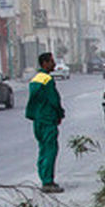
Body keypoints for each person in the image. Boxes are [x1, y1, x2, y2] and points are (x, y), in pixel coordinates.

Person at [25, 51, 66, 193]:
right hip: (48, 120)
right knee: (50, 149)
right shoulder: (47, 80)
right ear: (45, 63)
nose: (54, 64)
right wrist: (60, 113)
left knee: (43, 149)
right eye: (52, 61)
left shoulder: (35, 79)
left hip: (38, 120)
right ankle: (48, 182)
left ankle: (43, 177)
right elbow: (54, 99)